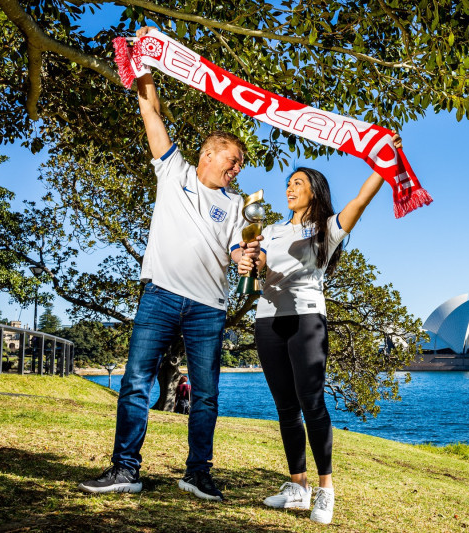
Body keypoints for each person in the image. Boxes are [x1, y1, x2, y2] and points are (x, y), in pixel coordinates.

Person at [78, 26, 261, 501]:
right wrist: (145, 64)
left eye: (240, 163)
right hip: (159, 295)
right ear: (209, 152)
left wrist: (247, 259)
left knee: (205, 396)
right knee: (136, 382)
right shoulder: (174, 170)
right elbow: (149, 110)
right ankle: (125, 470)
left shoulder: (239, 206)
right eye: (234, 157)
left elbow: (235, 251)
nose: (238, 166)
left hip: (208, 308)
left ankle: (197, 473)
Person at [237, 134, 403, 525]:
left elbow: (362, 198)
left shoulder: (327, 228)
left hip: (307, 319)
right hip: (267, 320)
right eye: (288, 183)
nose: (289, 187)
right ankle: (298, 487)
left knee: (312, 403)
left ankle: (325, 490)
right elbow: (257, 262)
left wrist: (386, 155)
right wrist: (249, 264)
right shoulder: (270, 229)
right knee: (285, 407)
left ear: (315, 191)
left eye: (298, 182)